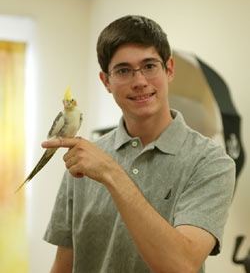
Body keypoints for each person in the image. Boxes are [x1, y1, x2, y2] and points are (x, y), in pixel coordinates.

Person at [43, 15, 235, 273]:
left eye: (149, 66)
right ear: (105, 81)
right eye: (123, 70)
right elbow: (63, 266)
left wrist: (111, 173)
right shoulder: (84, 158)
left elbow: (182, 265)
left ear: (169, 69)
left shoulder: (211, 162)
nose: (140, 81)